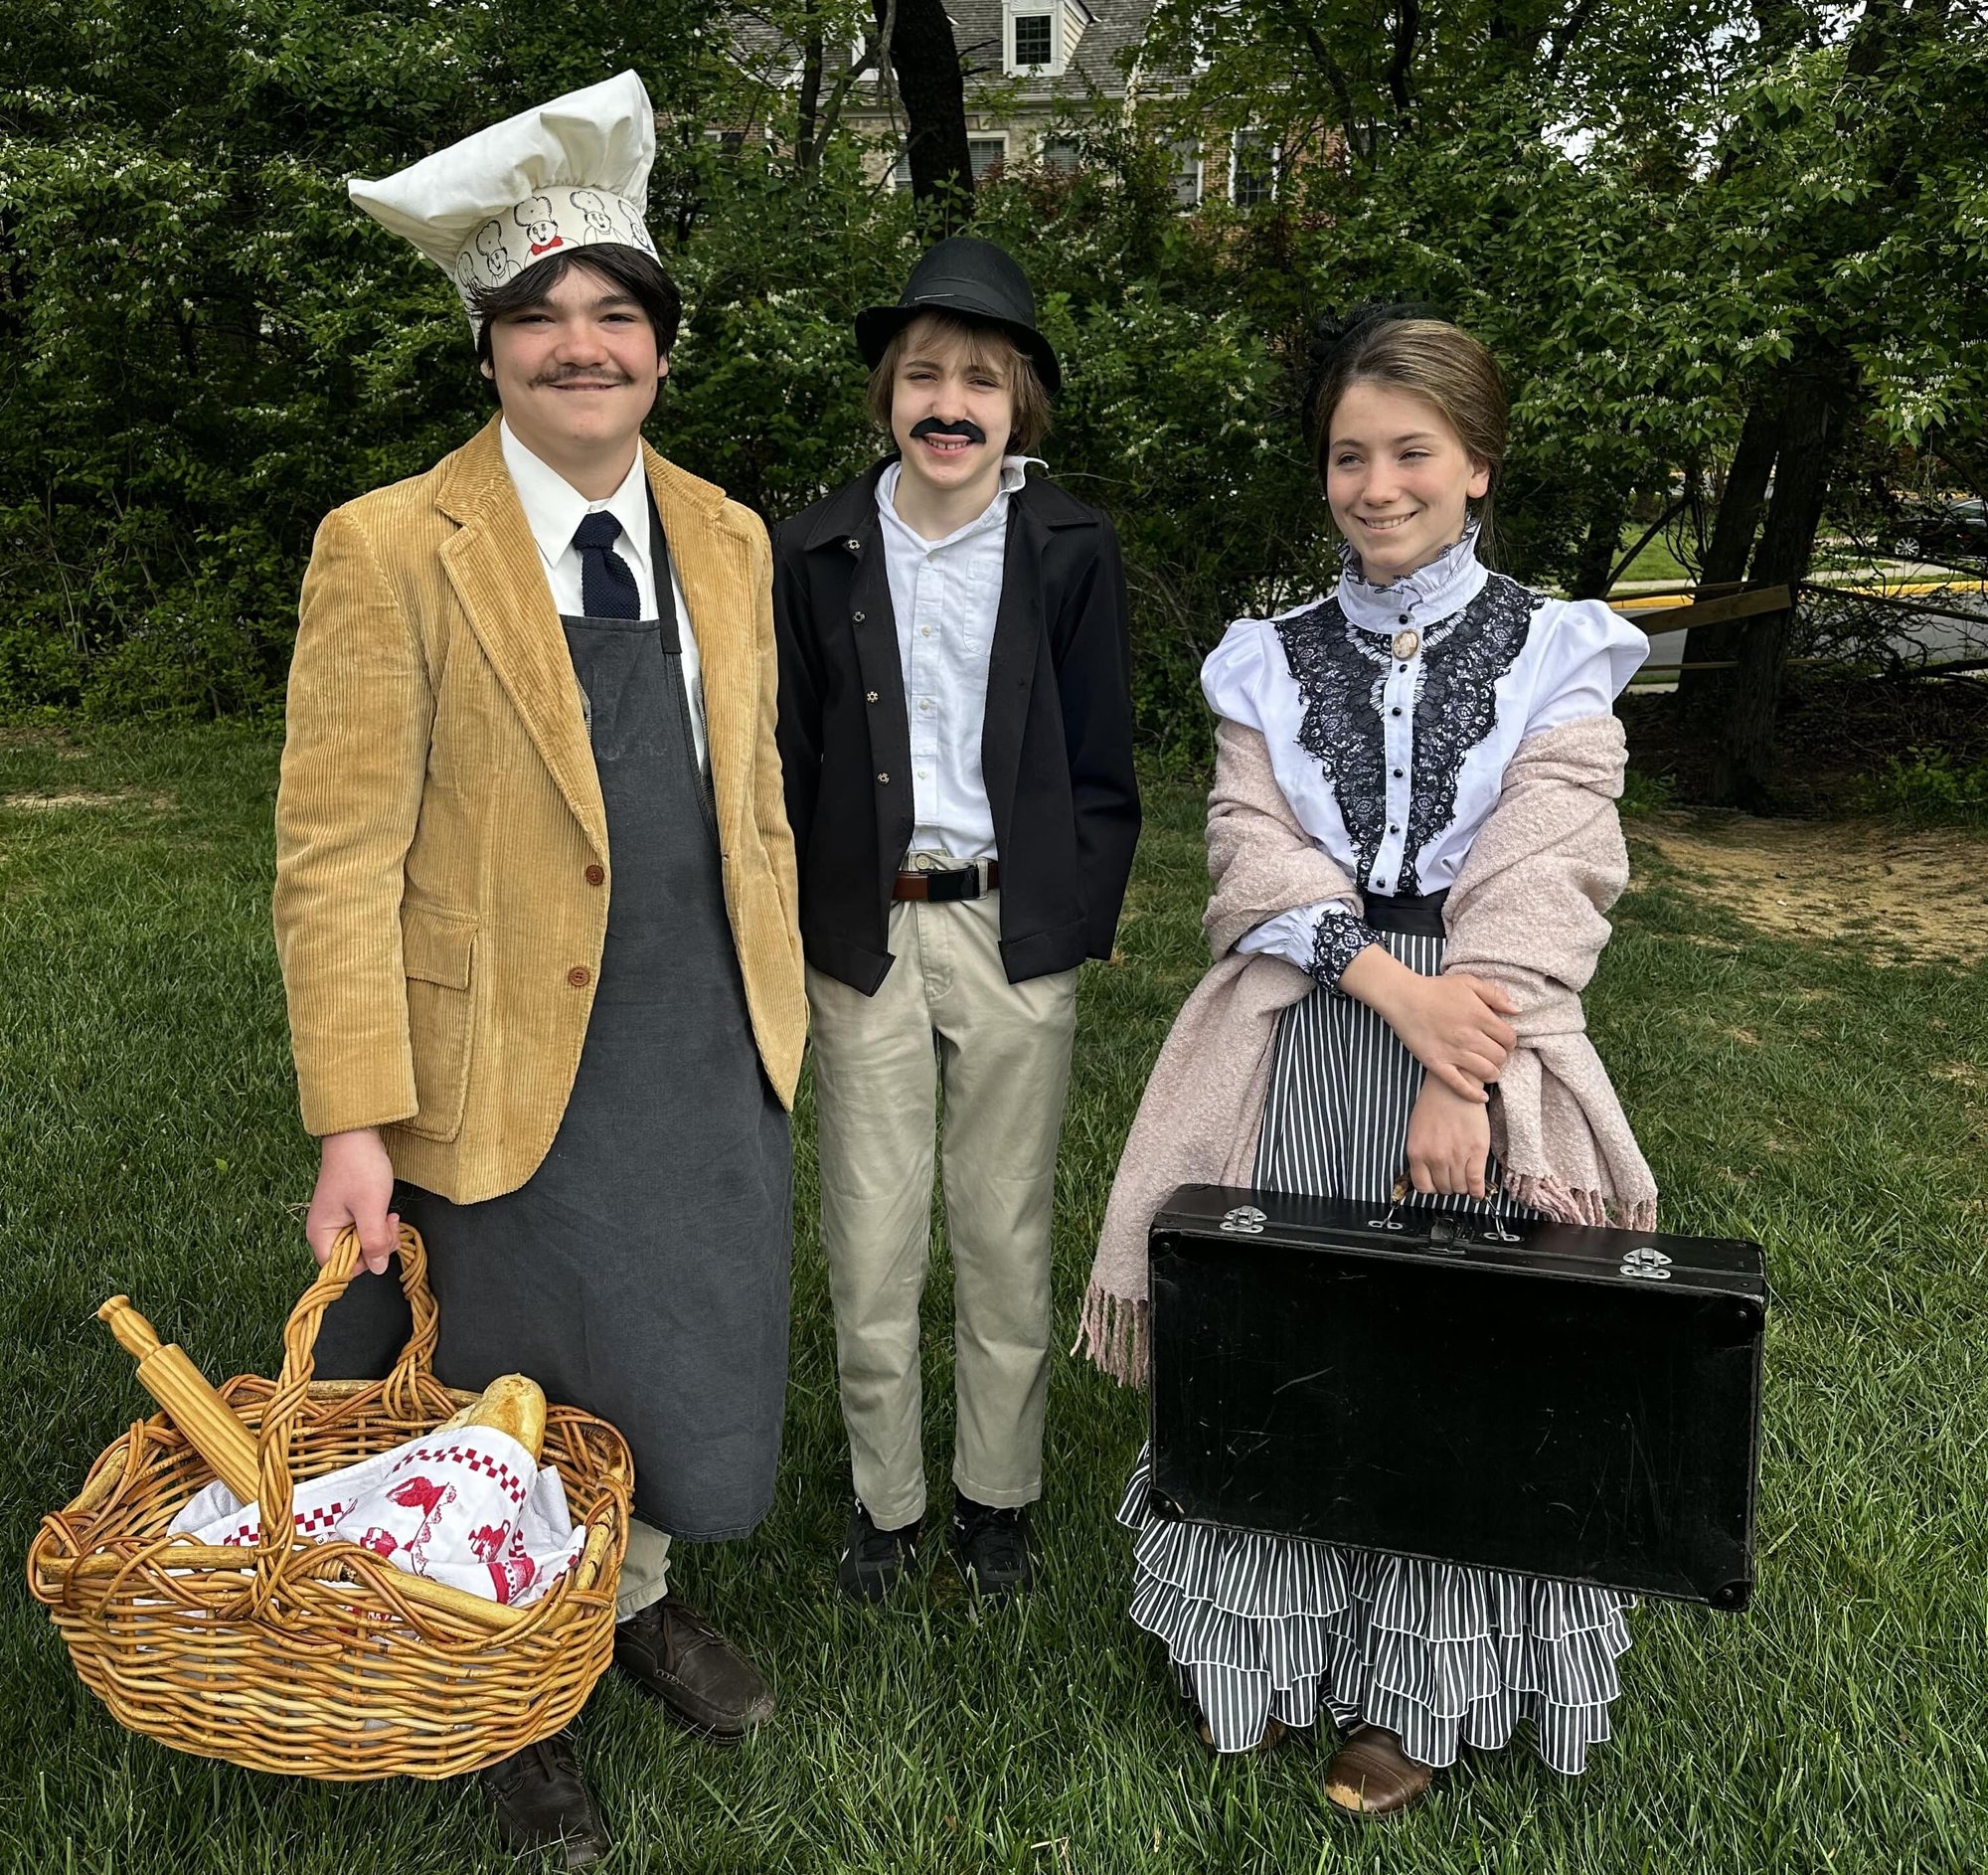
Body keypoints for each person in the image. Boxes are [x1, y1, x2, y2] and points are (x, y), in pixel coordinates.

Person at [271, 72, 807, 1866]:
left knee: (667, 1352)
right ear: (488, 350)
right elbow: (334, 853)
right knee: (496, 1372)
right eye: (539, 320)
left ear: (659, 344)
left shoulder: (727, 535)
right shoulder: (389, 546)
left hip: (692, 1031)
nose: (583, 348)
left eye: (616, 315)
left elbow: (757, 798)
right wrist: (355, 1115)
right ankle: (505, 1684)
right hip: (488, 1060)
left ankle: (629, 1591)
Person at [1079, 307, 1660, 1816]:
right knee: (1291, 1333)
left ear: (1479, 466)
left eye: (1413, 451)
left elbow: (1550, 875)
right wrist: (1386, 989)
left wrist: (1456, 1072)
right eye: (1351, 454)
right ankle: (1264, 1649)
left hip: (1490, 1042)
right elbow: (1247, 857)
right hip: (1311, 1031)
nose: (1378, 482)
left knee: (1455, 1350)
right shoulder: (1266, 661)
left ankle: (1424, 1684)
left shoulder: (1557, 652)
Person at [773, 238, 1140, 1604]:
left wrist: (1081, 907)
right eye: (922, 374)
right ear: (886, 397)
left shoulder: (1068, 546)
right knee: (871, 1230)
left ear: (1018, 407)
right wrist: (805, 906)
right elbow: (787, 750)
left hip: (1011, 930)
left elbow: (1105, 756)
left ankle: (997, 1495)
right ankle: (886, 1500)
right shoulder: (813, 548)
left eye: (979, 380)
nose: (949, 402)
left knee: (1003, 1227)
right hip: (865, 932)